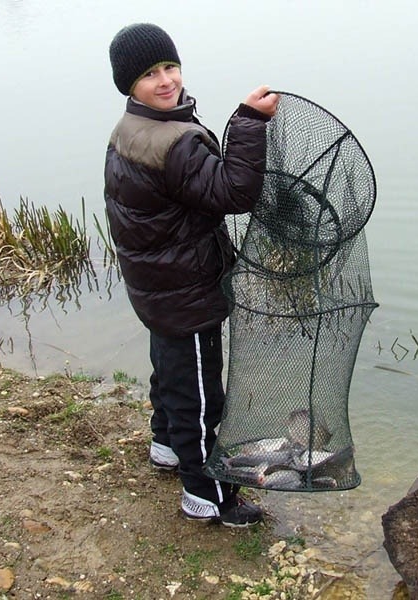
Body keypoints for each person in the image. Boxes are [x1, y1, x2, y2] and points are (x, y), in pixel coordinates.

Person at [104, 22, 278, 527]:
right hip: (186, 291)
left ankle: (166, 445)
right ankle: (208, 496)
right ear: (128, 85)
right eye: (150, 74)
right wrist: (248, 122)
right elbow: (233, 194)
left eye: (170, 67)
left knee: (170, 370)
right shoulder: (173, 142)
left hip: (155, 289)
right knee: (201, 396)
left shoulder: (128, 129)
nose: (166, 81)